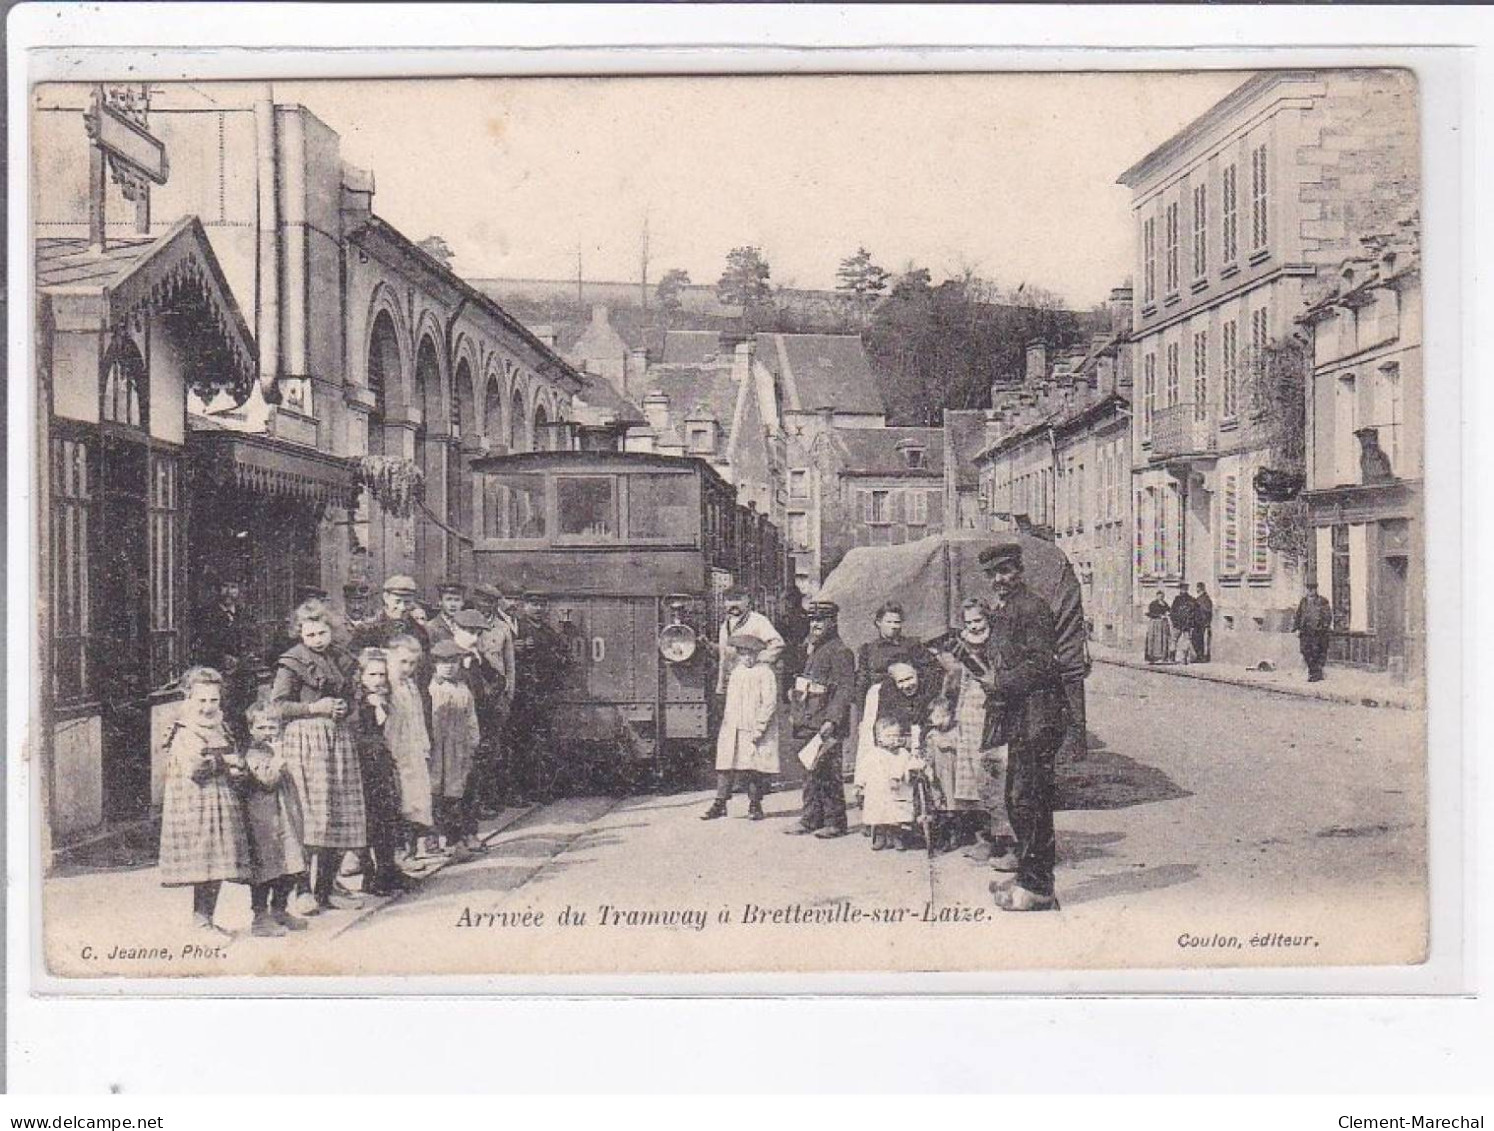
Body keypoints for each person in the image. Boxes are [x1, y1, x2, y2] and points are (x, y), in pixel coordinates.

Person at [978, 542, 1068, 913]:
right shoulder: (1009, 609)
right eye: (993, 574)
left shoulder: (1032, 608)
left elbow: (1043, 665)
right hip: (1021, 716)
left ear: (1018, 571)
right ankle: (1028, 878)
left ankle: (1038, 887)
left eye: (1005, 572)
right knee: (1019, 800)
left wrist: (999, 681)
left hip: (1039, 716)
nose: (999, 580)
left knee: (1030, 801)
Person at [271, 598, 366, 914]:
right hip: (306, 742)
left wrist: (343, 707)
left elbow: (354, 697)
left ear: (331, 630)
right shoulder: (292, 662)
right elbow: (278, 706)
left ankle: (326, 890)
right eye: (310, 635)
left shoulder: (341, 659)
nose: (317, 640)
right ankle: (303, 891)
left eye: (322, 633)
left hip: (338, 741)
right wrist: (314, 707)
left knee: (336, 814)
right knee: (310, 815)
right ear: (300, 634)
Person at [157, 666, 251, 934]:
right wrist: (225, 761)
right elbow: (195, 769)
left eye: (213, 700)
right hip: (196, 804)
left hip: (219, 800)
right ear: (188, 698)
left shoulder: (219, 725)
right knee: (203, 862)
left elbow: (229, 755)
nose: (208, 707)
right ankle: (200, 922)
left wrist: (237, 766)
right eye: (201, 700)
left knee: (218, 862)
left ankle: (209, 918)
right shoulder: (185, 730)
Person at [931, 598, 1009, 857]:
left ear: (987, 619)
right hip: (968, 715)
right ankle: (983, 836)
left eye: (978, 620)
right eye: (969, 622)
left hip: (991, 714)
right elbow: (956, 682)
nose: (974, 627)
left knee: (991, 776)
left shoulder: (996, 643)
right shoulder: (961, 644)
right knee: (971, 780)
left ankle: (1002, 840)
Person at [784, 600, 854, 839]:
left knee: (829, 774)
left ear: (833, 622)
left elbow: (845, 690)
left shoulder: (840, 651)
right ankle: (811, 818)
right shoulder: (812, 648)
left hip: (826, 722)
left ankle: (835, 822)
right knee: (811, 772)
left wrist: (832, 721)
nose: (815, 625)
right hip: (809, 719)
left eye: (821, 620)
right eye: (812, 620)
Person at [241, 702, 309, 936]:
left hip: (286, 818)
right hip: (264, 820)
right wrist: (278, 762)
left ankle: (280, 909)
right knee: (267, 868)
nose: (269, 732)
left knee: (291, 864)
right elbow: (267, 782)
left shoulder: (275, 751)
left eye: (273, 726)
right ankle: (260, 918)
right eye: (262, 727)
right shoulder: (253, 756)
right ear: (251, 730)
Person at [348, 648, 412, 895]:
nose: (378, 680)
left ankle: (389, 870)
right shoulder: (356, 701)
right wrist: (369, 707)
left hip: (381, 762)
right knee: (369, 820)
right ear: (361, 676)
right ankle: (370, 875)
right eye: (372, 674)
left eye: (382, 675)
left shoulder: (386, 696)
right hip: (361, 765)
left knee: (387, 815)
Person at [854, 660, 933, 849]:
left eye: (910, 678)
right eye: (901, 682)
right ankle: (881, 832)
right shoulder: (889, 700)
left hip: (910, 752)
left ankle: (903, 832)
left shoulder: (926, 695)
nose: (907, 685)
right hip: (891, 753)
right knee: (881, 797)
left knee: (908, 791)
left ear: (918, 675)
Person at [702, 634, 779, 822]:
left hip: (754, 727)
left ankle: (755, 804)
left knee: (753, 766)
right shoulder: (737, 673)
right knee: (725, 765)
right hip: (733, 726)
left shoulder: (765, 673)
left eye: (751, 654)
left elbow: (769, 703)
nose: (747, 658)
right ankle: (720, 803)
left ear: (757, 654)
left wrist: (759, 728)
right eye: (743, 654)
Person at [511, 592, 571, 802]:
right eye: (533, 604)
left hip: (544, 694)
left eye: (541, 604)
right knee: (521, 744)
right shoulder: (516, 628)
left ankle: (541, 789)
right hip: (522, 695)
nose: (537, 608)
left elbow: (564, 657)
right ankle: (519, 791)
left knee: (543, 744)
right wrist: (515, 648)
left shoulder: (548, 632)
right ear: (524, 605)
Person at [384, 634, 436, 859]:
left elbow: (418, 719)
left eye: (412, 663)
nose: (407, 667)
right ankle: (400, 853)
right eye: (402, 662)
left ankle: (412, 850)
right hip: (395, 751)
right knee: (400, 799)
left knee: (416, 799)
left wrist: (424, 746)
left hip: (412, 750)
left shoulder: (410, 686)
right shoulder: (387, 686)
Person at [429, 639, 483, 854]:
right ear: (434, 664)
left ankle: (457, 838)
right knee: (434, 791)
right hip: (436, 747)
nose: (449, 666)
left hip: (458, 747)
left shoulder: (463, 689)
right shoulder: (431, 689)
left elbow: (471, 718)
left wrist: (473, 741)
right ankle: (432, 837)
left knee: (457, 791)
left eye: (453, 661)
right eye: (443, 662)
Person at [194, 575, 258, 742]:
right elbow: (202, 646)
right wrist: (222, 658)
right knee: (224, 718)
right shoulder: (207, 615)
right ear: (217, 590)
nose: (229, 592)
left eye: (233, 587)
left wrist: (247, 659)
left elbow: (253, 642)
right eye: (225, 586)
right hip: (221, 675)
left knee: (245, 717)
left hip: (244, 676)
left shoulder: (245, 614)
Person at [713, 589, 785, 696]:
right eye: (729, 600)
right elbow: (723, 658)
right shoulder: (725, 626)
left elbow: (777, 644)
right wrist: (721, 685)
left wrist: (758, 658)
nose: (733, 604)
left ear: (747, 601)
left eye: (738, 600)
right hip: (734, 680)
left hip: (754, 678)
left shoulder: (758, 621)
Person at [351, 575, 431, 665]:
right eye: (397, 601)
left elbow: (425, 668)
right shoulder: (367, 630)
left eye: (407, 602)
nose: (402, 607)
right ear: (386, 598)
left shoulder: (419, 632)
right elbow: (355, 666)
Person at [1293, 581, 1334, 682]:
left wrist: (1323, 628)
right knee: (1305, 651)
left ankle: (1315, 674)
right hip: (1305, 632)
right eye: (1308, 588)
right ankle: (1314, 673)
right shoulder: (1303, 602)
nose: (1310, 591)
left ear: (1316, 589)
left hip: (1317, 633)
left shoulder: (1322, 601)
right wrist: (1296, 628)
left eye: (1312, 588)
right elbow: (1298, 616)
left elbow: (1327, 616)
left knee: (1316, 653)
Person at [425, 581, 468, 647]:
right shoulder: (431, 628)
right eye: (448, 599)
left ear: (462, 603)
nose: (453, 605)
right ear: (440, 602)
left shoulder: (468, 627)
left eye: (457, 600)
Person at [1169, 585, 1199, 665]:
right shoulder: (1191, 599)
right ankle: (1183, 659)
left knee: (1174, 640)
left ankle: (1173, 657)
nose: (1183, 590)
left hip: (1178, 623)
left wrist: (1174, 621)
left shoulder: (1177, 599)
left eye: (1183, 589)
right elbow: (1194, 612)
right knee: (1186, 640)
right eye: (1183, 589)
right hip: (1186, 624)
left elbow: (1172, 612)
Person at [1144, 590, 1173, 663]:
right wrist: (1159, 616)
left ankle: (1163, 656)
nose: (1161, 597)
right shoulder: (1153, 604)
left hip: (1163, 624)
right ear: (1157, 596)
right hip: (1155, 624)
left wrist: (1169, 613)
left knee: (1163, 639)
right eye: (1160, 596)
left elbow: (1169, 610)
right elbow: (1150, 613)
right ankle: (1153, 657)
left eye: (1162, 596)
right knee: (1155, 639)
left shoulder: (1165, 604)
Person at [1193, 582, 1213, 662]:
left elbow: (1207, 609)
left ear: (1200, 589)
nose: (1196, 589)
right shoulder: (1199, 598)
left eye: (1197, 588)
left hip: (1202, 622)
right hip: (1197, 622)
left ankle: (1201, 657)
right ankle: (1199, 656)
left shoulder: (1205, 598)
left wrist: (1199, 605)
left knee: (1200, 640)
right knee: (1196, 639)